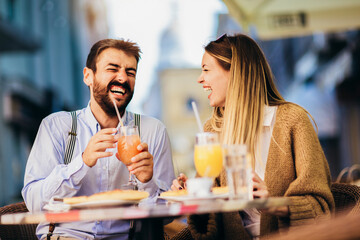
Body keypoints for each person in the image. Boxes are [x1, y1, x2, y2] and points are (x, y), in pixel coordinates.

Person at [171, 33, 335, 239]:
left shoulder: (292, 121)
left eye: (206, 70)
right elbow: (206, 227)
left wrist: (273, 203)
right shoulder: (211, 130)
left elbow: (319, 208)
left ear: (236, 72)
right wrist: (192, 192)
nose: (200, 79)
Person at [22, 39, 175, 239]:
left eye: (131, 72)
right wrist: (82, 162)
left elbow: (167, 217)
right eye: (113, 69)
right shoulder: (56, 126)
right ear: (88, 76)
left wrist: (147, 182)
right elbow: (34, 204)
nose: (122, 78)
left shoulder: (153, 131)